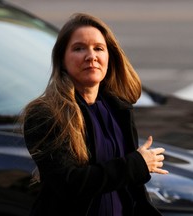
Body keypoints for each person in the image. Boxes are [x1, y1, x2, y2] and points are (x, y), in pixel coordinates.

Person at [20, 12, 168, 216]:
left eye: (99, 48)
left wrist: (136, 167)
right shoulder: (45, 114)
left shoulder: (119, 109)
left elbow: (132, 191)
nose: (91, 56)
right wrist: (136, 165)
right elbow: (69, 184)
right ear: (62, 60)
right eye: (79, 48)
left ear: (109, 56)